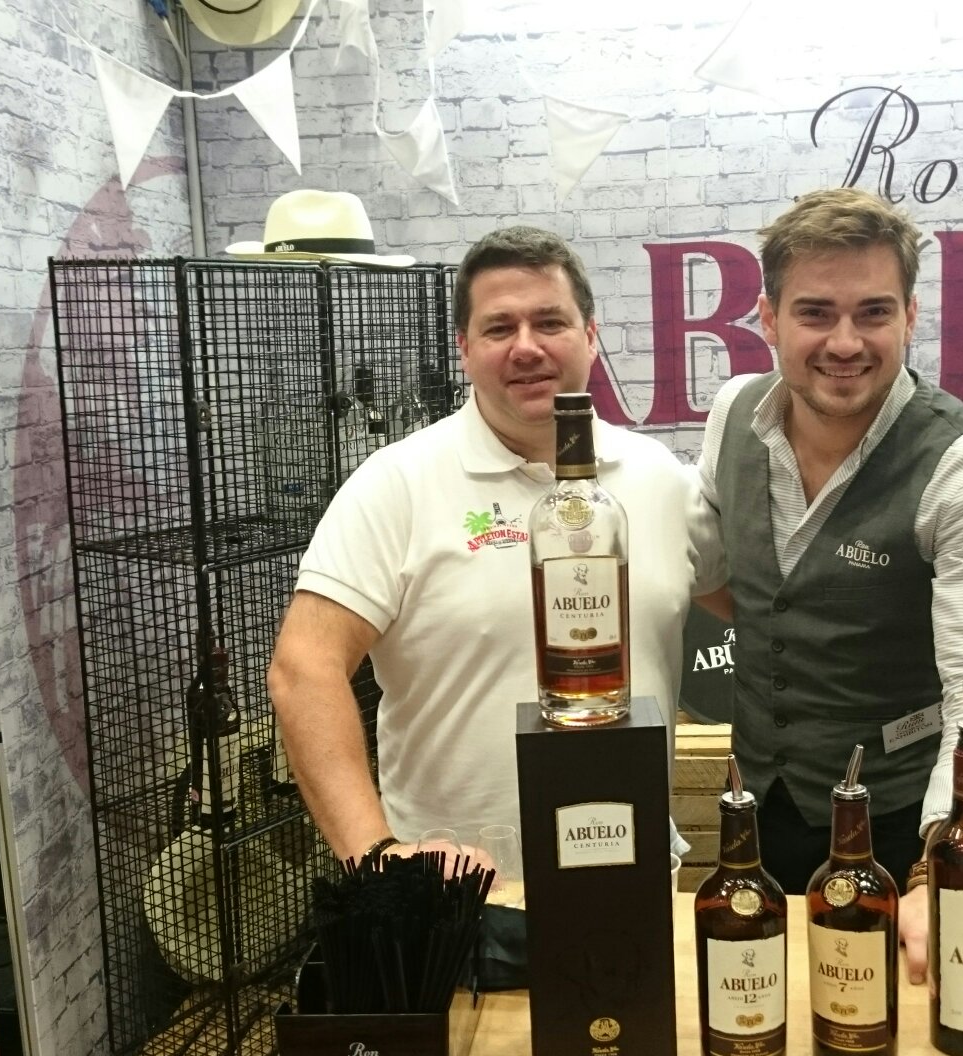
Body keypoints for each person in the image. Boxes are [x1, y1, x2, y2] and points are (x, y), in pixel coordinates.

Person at [267, 225, 724, 868]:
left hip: (631, 869)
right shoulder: (397, 483)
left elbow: (763, 614)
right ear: (464, 348)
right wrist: (377, 858)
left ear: (591, 335)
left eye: (550, 322)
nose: (527, 347)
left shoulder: (660, 479)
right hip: (458, 893)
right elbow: (303, 670)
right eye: (499, 328)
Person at [694, 187, 963, 983]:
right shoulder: (734, 413)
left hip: (896, 824)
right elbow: (713, 575)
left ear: (910, 318)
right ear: (768, 319)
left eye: (873, 313)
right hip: (760, 809)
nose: (844, 342)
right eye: (815, 313)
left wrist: (943, 865)